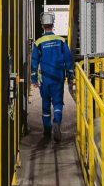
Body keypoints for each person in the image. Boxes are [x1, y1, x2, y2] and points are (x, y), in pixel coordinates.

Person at [31, 12, 74, 142]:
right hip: (58, 78)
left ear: (43, 25)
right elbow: (68, 59)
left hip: (45, 80)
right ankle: (57, 121)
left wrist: (34, 79)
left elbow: (34, 62)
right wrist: (70, 75)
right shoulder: (61, 41)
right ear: (52, 24)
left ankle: (47, 130)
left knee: (45, 104)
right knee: (58, 103)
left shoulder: (38, 43)